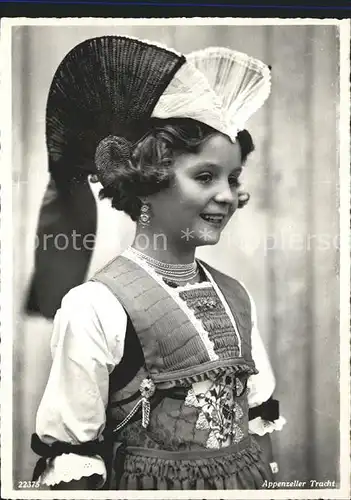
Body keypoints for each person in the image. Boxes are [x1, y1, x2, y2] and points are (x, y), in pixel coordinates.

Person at [29, 35, 286, 491]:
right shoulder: (96, 307)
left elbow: (258, 431)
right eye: (205, 176)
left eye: (232, 178)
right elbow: (74, 469)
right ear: (146, 182)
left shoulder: (235, 296)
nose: (228, 196)